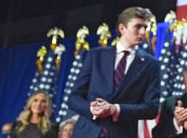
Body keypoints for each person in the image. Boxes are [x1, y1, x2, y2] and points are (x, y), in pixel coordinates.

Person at [68, 7, 160, 138]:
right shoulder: (95, 55)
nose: (143, 31)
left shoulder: (151, 64)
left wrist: (115, 109)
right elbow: (74, 98)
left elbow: (151, 108)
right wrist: (91, 108)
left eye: (145, 27)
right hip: (86, 132)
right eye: (138, 26)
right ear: (122, 28)